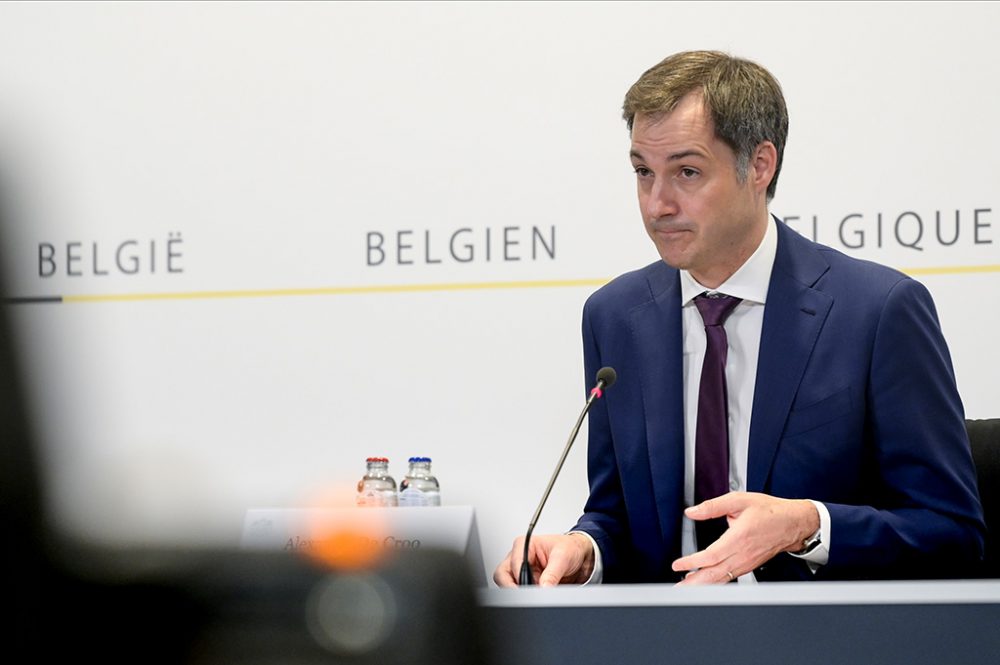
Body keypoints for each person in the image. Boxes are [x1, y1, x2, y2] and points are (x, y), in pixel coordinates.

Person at [494, 50, 985, 586]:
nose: (657, 204)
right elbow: (619, 515)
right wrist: (586, 551)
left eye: (686, 172)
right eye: (642, 172)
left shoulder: (877, 311)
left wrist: (808, 526)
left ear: (759, 165)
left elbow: (951, 532)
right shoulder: (615, 318)